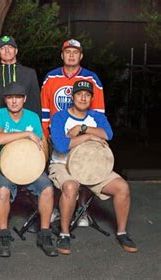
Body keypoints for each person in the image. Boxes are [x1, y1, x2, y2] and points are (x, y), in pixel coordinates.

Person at [49, 80, 137, 255]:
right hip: (62, 165)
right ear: (72, 97)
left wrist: (82, 129)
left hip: (92, 167)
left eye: (87, 95)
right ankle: (64, 234)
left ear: (91, 98)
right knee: (70, 186)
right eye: (79, 94)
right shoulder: (60, 117)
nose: (83, 97)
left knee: (122, 188)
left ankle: (122, 233)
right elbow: (60, 145)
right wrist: (90, 137)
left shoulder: (96, 117)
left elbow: (108, 134)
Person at [40, 39, 106, 226]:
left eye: (75, 52)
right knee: (58, 171)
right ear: (62, 55)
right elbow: (45, 111)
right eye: (67, 52)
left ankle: (81, 209)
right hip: (57, 135)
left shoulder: (91, 78)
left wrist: (95, 134)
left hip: (83, 136)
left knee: (83, 169)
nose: (71, 55)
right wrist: (46, 135)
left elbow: (99, 112)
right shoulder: (51, 78)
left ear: (81, 56)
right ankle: (56, 208)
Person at [0, 82, 58, 257]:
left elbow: (41, 145)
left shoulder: (32, 117)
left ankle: (45, 234)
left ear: (24, 99)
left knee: (47, 189)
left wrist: (41, 162)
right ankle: (3, 235)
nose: (14, 101)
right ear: (5, 100)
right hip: (2, 167)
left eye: (18, 97)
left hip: (29, 166)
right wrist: (26, 134)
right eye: (10, 97)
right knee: (2, 191)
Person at [0, 35, 41, 134]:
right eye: (2, 48)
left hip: (24, 128)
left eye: (10, 47)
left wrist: (37, 129)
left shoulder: (29, 73)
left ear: (16, 51)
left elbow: (35, 103)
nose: (7, 51)